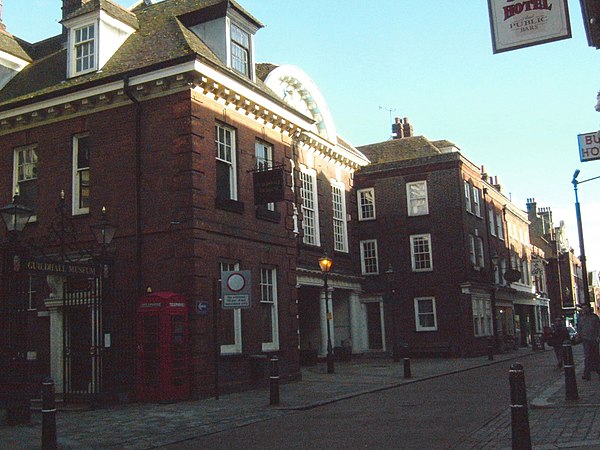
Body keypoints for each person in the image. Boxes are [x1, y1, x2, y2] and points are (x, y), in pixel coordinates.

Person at [576, 304, 600, 380]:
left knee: (596, 356)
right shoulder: (581, 318)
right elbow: (579, 329)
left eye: (586, 308)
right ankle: (587, 374)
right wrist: (580, 336)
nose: (584, 310)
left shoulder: (594, 317)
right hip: (585, 340)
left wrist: (598, 336)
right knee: (587, 357)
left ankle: (598, 371)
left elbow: (598, 328)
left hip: (594, 339)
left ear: (589, 309)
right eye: (583, 308)